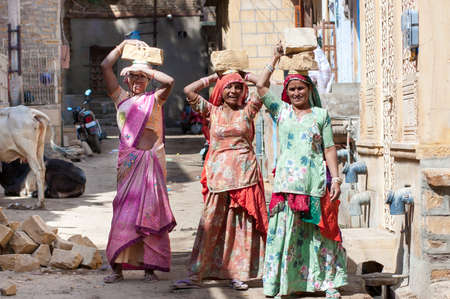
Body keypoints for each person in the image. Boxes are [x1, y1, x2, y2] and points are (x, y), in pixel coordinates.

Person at [256, 45, 347, 298]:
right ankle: (284, 284)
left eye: (300, 88)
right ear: (286, 92)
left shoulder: (321, 115)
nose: (296, 93)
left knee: (321, 235)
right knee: (286, 237)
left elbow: (329, 148)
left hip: (314, 184)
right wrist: (274, 58)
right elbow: (261, 87)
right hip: (286, 186)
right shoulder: (281, 112)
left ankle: (327, 283)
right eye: (291, 89)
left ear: (309, 89)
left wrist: (336, 178)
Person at [173, 71, 268, 291]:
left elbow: (262, 85)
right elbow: (188, 90)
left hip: (244, 177)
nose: (234, 91)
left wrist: (246, 74)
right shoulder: (211, 111)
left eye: (238, 87)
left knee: (240, 229)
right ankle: (198, 273)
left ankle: (238, 274)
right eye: (229, 87)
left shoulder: (248, 110)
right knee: (210, 226)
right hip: (218, 178)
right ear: (221, 91)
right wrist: (216, 77)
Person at [101, 39, 176, 283]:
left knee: (150, 213)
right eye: (133, 77)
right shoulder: (120, 98)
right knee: (125, 213)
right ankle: (117, 268)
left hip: (152, 164)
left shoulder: (156, 98)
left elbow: (170, 82)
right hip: (129, 164)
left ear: (148, 80)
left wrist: (148, 69)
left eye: (141, 78)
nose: (137, 82)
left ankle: (150, 267)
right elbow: (105, 66)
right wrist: (122, 46)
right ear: (126, 80)